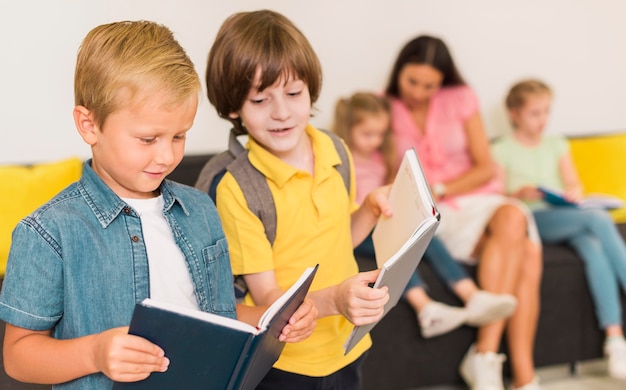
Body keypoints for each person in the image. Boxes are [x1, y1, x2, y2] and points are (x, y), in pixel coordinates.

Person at [0, 20, 316, 390]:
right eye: (148, 139)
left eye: (179, 136)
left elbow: (214, 317)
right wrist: (95, 353)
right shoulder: (50, 232)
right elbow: (18, 356)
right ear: (89, 125)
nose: (166, 156)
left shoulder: (200, 210)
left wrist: (269, 320)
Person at [204, 10, 392, 390]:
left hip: (347, 344)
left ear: (311, 89)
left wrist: (370, 210)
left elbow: (340, 239)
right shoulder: (236, 187)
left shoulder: (335, 149)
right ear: (233, 108)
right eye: (260, 99)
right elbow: (269, 300)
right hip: (288, 364)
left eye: (293, 93)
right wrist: (335, 300)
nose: (282, 112)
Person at [385, 35, 543, 390]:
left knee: (513, 216)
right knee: (528, 253)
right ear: (398, 73)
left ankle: (485, 354)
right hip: (428, 211)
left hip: (472, 200)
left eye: (430, 85)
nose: (420, 92)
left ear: (443, 80)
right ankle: (522, 375)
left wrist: (443, 188)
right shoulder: (382, 107)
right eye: (412, 82)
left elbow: (485, 167)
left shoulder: (461, 99)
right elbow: (384, 175)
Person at [332, 92, 517, 338]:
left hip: (382, 220)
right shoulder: (340, 162)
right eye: (367, 134)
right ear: (347, 127)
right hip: (357, 231)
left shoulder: (380, 159)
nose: (375, 141)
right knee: (398, 247)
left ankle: (471, 295)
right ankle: (425, 308)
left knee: (426, 234)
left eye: (380, 134)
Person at [492, 79, 626, 380]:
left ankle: (615, 340)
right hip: (532, 219)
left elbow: (573, 183)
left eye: (546, 112)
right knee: (598, 220)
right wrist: (520, 194)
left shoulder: (556, 144)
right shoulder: (501, 150)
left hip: (564, 214)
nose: (543, 120)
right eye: (534, 113)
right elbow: (495, 201)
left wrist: (573, 194)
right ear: (514, 114)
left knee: (592, 247)